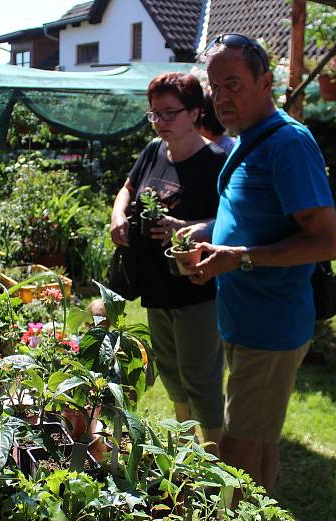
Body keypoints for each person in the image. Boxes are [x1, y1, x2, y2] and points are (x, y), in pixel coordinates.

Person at [177, 34, 336, 491]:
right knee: (259, 444)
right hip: (246, 321)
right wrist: (207, 232)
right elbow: (257, 216)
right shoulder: (249, 140)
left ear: (266, 81)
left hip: (271, 328)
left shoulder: (287, 144)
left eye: (233, 83)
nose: (221, 97)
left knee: (235, 455)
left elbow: (326, 240)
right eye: (214, 86)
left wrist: (239, 257)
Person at [110, 72, 227, 447]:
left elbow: (233, 222)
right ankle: (186, 449)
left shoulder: (216, 162)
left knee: (201, 376)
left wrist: (187, 226)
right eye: (154, 114)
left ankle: (219, 463)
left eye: (169, 113)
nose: (160, 122)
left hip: (197, 287)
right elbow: (127, 189)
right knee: (172, 372)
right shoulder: (153, 151)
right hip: (156, 286)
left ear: (195, 113)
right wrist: (117, 217)